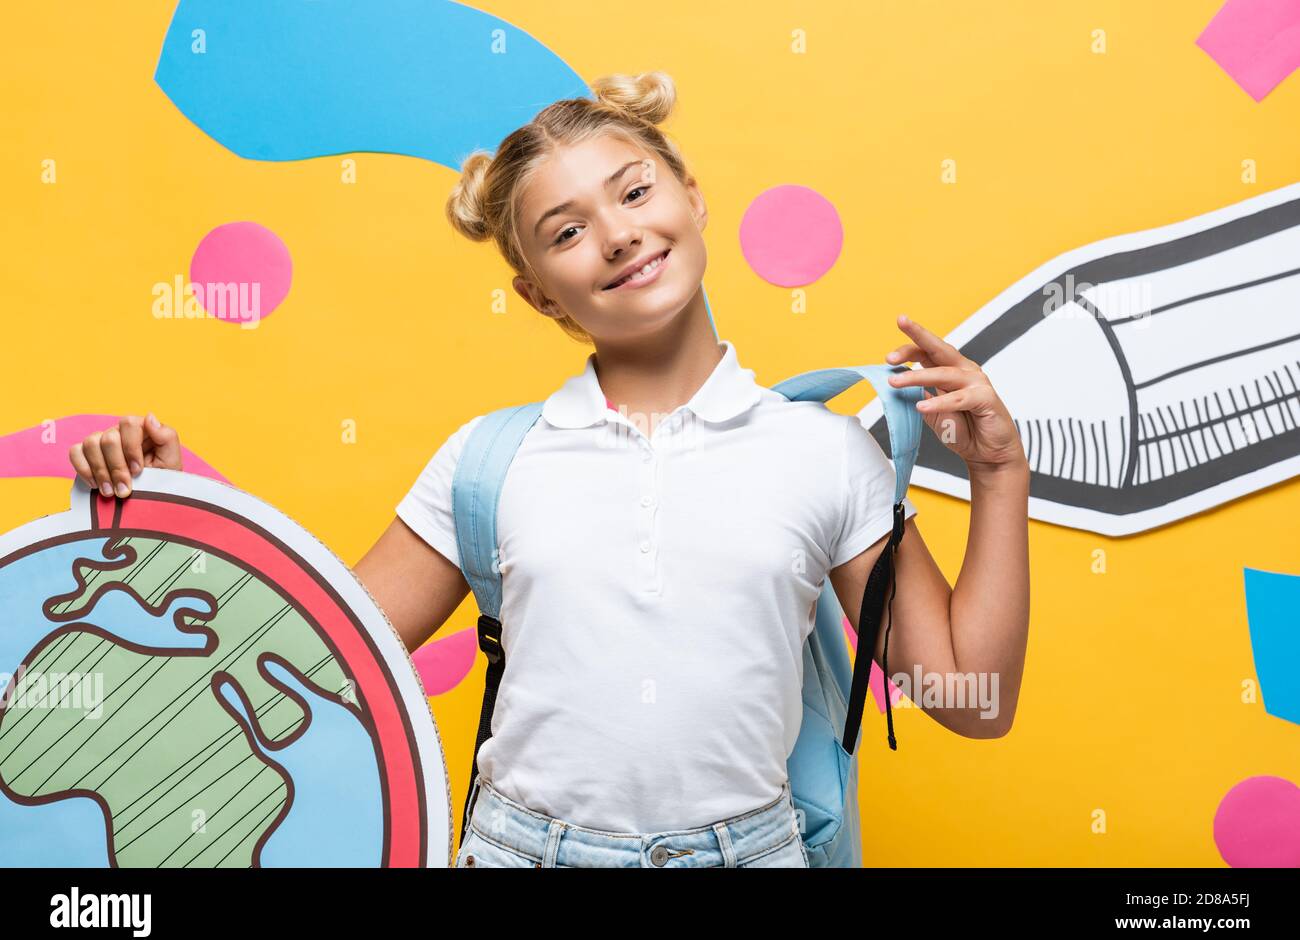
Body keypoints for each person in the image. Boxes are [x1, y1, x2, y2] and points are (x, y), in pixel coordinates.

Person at [68, 71, 1031, 868]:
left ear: (691, 193)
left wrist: (997, 479)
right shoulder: (490, 460)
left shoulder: (823, 452)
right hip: (523, 853)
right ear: (538, 294)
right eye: (566, 231)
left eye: (635, 190)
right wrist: (176, 516)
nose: (615, 235)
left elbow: (967, 697)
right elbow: (316, 658)